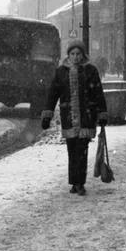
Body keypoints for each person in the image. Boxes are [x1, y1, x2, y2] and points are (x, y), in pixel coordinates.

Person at [41, 39, 108, 196]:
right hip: (69, 118)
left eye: (78, 54)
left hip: (86, 117)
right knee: (72, 150)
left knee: (82, 150)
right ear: (68, 55)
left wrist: (102, 113)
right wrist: (47, 114)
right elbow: (53, 94)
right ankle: (74, 182)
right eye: (72, 54)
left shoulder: (91, 71)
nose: (75, 57)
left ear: (83, 54)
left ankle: (80, 183)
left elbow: (98, 93)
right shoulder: (60, 72)